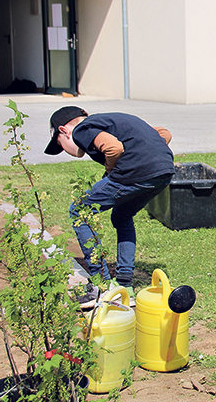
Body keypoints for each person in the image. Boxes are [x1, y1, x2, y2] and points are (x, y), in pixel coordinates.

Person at [44, 106, 175, 308]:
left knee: (79, 211)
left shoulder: (81, 129)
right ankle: (124, 283)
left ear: (63, 131)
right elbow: (163, 134)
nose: (65, 151)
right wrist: (149, 158)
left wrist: (111, 170)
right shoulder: (110, 121)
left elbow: (113, 148)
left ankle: (101, 285)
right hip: (164, 171)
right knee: (122, 216)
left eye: (60, 145)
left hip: (134, 172)